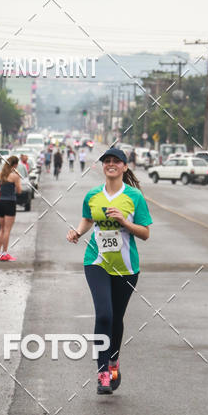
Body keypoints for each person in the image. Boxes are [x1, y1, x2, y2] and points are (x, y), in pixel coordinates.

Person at [67, 147, 152, 395]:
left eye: (117, 161)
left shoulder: (134, 197)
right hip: (97, 261)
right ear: (102, 166)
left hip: (126, 267)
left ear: (125, 167)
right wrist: (77, 232)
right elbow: (87, 219)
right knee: (104, 314)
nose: (111, 164)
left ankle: (113, 362)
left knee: (116, 319)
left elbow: (146, 233)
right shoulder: (93, 195)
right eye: (107, 161)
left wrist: (125, 222)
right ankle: (103, 372)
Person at [0, 155, 22, 262]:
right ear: (14, 165)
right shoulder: (15, 176)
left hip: (1, 203)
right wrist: (12, 190)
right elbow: (19, 190)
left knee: (1, 229)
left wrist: (2, 190)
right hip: (10, 202)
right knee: (7, 230)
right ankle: (4, 253)